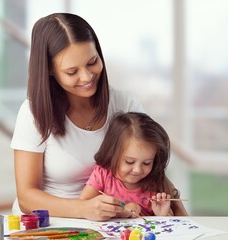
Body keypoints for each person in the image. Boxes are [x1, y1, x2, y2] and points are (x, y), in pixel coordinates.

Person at [10, 12, 144, 221]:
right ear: (50, 72)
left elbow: (150, 167)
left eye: (92, 62)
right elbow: (26, 197)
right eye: (72, 72)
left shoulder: (125, 104)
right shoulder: (33, 112)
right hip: (48, 224)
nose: (87, 77)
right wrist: (83, 209)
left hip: (108, 223)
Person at [79, 112, 188, 217]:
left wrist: (162, 215)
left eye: (147, 163)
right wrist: (122, 211)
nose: (137, 170)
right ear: (112, 153)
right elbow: (83, 206)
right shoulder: (102, 175)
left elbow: (176, 223)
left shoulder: (155, 183)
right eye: (129, 162)